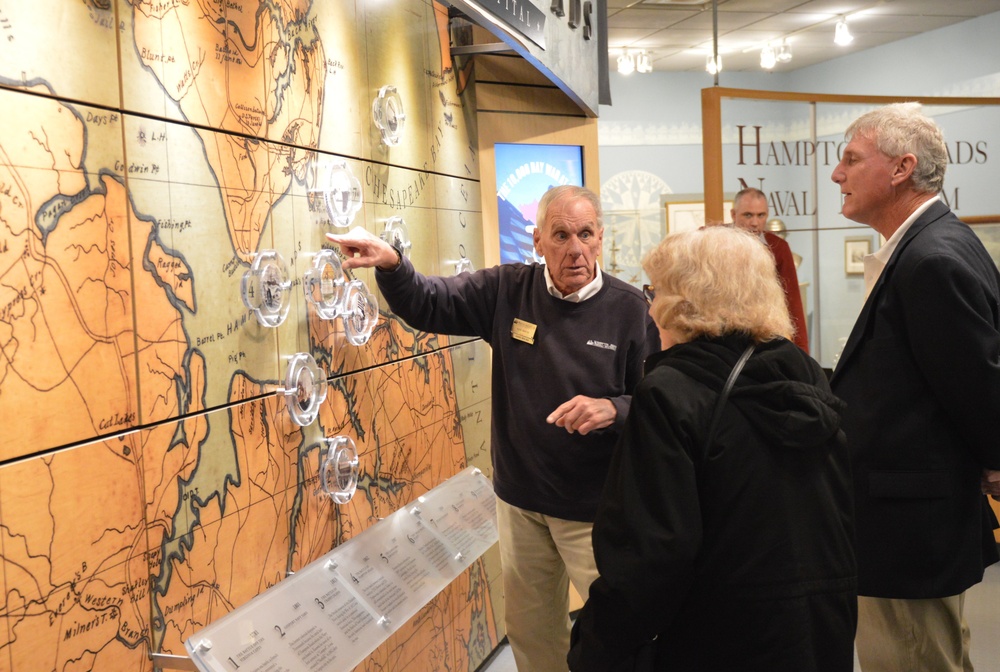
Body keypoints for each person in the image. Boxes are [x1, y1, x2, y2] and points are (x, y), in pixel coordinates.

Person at [327, 185, 660, 672]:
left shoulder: (631, 309)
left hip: (596, 510)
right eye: (561, 235)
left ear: (601, 238)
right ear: (538, 241)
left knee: (616, 634)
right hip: (521, 503)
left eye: (586, 234)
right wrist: (392, 264)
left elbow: (657, 403)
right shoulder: (507, 290)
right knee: (531, 631)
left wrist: (616, 410)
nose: (576, 249)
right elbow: (429, 302)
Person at [568, 225, 857, 672]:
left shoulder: (670, 394)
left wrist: (594, 645)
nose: (650, 307)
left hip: (719, 637)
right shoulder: (807, 376)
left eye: (656, 290)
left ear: (685, 301)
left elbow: (651, 556)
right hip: (817, 630)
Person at [829, 102, 1000, 672]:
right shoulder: (934, 241)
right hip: (906, 512)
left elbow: (978, 386)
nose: (837, 175)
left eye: (851, 159)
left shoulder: (930, 259)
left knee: (916, 659)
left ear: (901, 168)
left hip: (909, 522)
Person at [730, 187, 810, 352]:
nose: (755, 222)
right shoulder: (716, 243)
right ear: (733, 215)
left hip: (766, 336)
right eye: (748, 215)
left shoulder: (779, 248)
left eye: (761, 215)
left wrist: (802, 353)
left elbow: (792, 301)